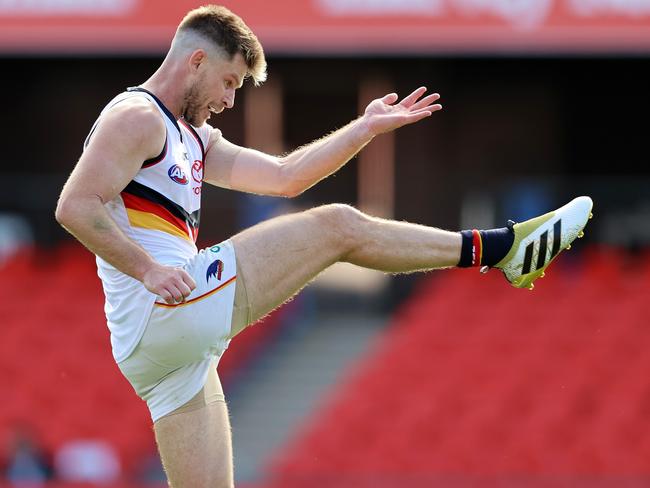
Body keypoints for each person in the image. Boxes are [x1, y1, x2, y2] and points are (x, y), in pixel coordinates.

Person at [55, 5, 593, 487]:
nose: (229, 98)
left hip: (164, 352)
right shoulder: (138, 116)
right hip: (164, 311)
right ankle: (501, 249)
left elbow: (287, 176)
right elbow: (75, 205)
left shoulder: (192, 134)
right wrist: (148, 269)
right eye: (228, 81)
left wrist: (362, 130)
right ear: (194, 62)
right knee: (336, 225)